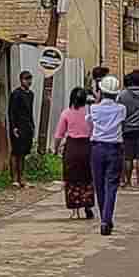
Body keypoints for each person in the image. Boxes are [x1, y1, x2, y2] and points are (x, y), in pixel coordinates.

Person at [88, 75, 126, 236]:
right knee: (111, 185)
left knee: (99, 185)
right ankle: (106, 219)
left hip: (97, 148)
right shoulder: (121, 109)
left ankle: (104, 217)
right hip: (114, 148)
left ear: (101, 91)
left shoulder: (94, 108)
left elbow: (89, 122)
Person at [54, 88, 95, 219]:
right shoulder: (90, 113)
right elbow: (94, 130)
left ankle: (75, 210)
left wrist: (55, 149)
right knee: (87, 177)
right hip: (87, 147)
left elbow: (58, 135)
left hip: (72, 147)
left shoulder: (66, 113)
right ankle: (87, 204)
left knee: (72, 179)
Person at [8, 71, 37, 188]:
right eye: (26, 79)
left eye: (30, 79)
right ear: (21, 80)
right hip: (17, 126)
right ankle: (14, 178)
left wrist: (32, 126)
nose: (28, 81)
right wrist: (13, 127)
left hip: (27, 127)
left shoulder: (31, 94)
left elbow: (30, 112)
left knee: (24, 153)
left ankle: (22, 177)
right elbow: (11, 112)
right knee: (16, 152)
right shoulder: (16, 94)